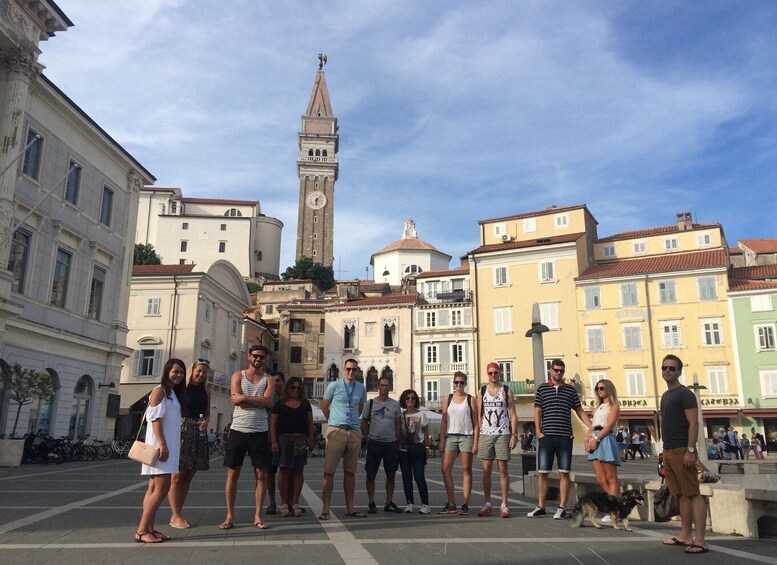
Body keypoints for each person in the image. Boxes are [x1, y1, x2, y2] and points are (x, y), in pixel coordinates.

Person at [528, 358, 593, 520]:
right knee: (543, 472)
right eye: (556, 370)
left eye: (561, 371)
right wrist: (538, 431)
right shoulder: (542, 389)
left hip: (565, 436)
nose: (559, 373)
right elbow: (537, 411)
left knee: (564, 472)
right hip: (547, 435)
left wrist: (591, 427)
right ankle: (541, 506)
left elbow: (579, 410)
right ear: (550, 370)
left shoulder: (570, 390)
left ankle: (562, 508)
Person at [220, 344, 275, 530]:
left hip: (260, 430)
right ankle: (229, 515)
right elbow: (234, 397)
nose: (258, 359)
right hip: (238, 428)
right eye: (255, 356)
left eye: (261, 357)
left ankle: (258, 515)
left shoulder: (269, 379)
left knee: (261, 474)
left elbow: (268, 402)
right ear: (249, 357)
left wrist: (244, 398)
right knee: (233, 472)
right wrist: (248, 399)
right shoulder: (238, 376)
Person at [659, 354, 709, 554]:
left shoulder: (685, 393)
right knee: (680, 494)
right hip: (669, 450)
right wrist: (664, 452)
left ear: (679, 371)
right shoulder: (665, 395)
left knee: (694, 494)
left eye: (672, 368)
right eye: (664, 368)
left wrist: (690, 450)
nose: (667, 371)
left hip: (682, 449)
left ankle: (701, 540)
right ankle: (685, 535)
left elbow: (694, 422)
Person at [135, 358, 185, 543]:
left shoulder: (172, 392)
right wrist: (163, 444)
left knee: (154, 488)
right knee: (161, 488)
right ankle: (141, 530)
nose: (178, 375)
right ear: (167, 372)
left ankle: (149, 528)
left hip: (168, 446)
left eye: (181, 372)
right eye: (175, 371)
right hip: (160, 447)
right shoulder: (160, 391)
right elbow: (155, 420)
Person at [319, 358, 368, 520]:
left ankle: (349, 507)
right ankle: (325, 508)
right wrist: (332, 421)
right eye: (348, 369)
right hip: (336, 430)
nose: (351, 372)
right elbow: (324, 406)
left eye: (354, 369)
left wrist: (354, 421)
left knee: (350, 472)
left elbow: (360, 407)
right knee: (329, 472)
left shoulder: (361, 388)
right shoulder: (334, 386)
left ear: (357, 371)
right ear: (343, 370)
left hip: (354, 431)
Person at [168, 359, 211, 529]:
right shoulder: (181, 389)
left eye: (204, 372)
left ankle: (178, 512)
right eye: (199, 371)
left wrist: (206, 422)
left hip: (197, 431)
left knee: (188, 476)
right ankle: (175, 515)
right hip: (181, 430)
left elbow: (207, 413)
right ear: (192, 370)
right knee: (177, 475)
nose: (201, 375)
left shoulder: (206, 391)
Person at [476, 362, 518, 518]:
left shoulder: (506, 391)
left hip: (503, 433)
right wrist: (480, 433)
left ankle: (504, 504)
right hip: (486, 434)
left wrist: (514, 435)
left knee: (503, 470)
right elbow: (479, 415)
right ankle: (487, 504)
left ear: (500, 373)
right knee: (486, 470)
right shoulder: (481, 391)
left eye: (495, 373)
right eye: (490, 373)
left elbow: (513, 414)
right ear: (487, 374)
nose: (493, 375)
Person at [269, 376, 315, 517]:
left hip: (300, 440)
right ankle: (284, 503)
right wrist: (274, 442)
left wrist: (311, 440)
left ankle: (295, 502)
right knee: (284, 471)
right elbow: (273, 425)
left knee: (298, 471)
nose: (295, 390)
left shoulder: (306, 404)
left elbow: (310, 423)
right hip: (284, 440)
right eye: (293, 387)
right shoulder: (279, 404)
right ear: (288, 388)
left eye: (298, 387)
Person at [438, 371, 478, 515]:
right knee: (445, 468)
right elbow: (443, 420)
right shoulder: (448, 399)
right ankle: (451, 503)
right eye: (456, 382)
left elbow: (476, 422)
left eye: (461, 382)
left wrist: (475, 442)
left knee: (466, 470)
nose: (459, 385)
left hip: (466, 436)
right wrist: (441, 439)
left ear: (465, 384)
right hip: (451, 436)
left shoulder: (470, 399)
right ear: (453, 383)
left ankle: (465, 504)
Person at [361, 376, 402, 514]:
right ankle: (371, 502)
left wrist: (396, 440)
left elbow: (398, 424)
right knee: (370, 474)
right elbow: (364, 422)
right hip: (375, 444)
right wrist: (368, 438)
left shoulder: (395, 405)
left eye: (387, 385)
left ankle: (389, 502)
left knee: (391, 475)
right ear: (378, 386)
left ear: (390, 387)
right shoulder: (370, 403)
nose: (384, 388)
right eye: (382, 385)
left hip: (390, 444)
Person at [398, 388, 430, 514]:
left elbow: (426, 433)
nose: (410, 400)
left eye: (413, 398)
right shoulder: (400, 415)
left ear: (416, 400)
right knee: (406, 477)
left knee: (419, 477)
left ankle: (425, 504)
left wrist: (427, 448)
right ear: (404, 400)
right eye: (408, 398)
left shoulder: (422, 415)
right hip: (403, 449)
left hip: (417, 450)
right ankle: (410, 503)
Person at [586, 380, 621, 497]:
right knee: (600, 478)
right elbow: (593, 425)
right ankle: (610, 504)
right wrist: (588, 439)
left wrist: (596, 438)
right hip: (595, 436)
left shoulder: (614, 406)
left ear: (609, 389)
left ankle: (614, 508)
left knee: (610, 477)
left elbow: (609, 425)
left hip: (605, 438)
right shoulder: (598, 407)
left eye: (602, 388)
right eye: (597, 388)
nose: (599, 391)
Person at [265, 370, 286, 514]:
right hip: (268, 439)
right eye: (274, 381)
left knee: (287, 472)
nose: (276, 383)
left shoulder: (289, 398)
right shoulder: (268, 398)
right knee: (270, 472)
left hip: (286, 438)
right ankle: (272, 502)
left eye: (278, 380)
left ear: (284, 382)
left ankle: (288, 502)